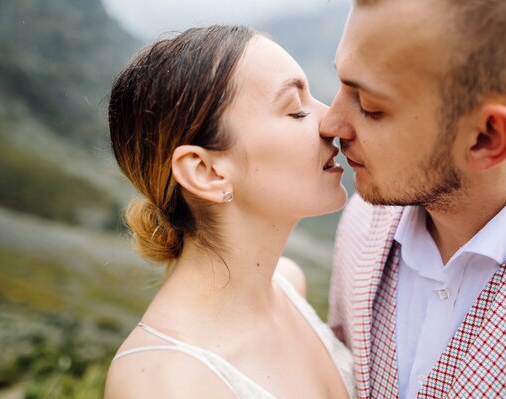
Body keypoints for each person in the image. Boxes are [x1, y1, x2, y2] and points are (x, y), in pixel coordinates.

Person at [322, 0, 506, 398]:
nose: (331, 122)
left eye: (371, 107)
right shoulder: (362, 218)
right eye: (342, 83)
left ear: (487, 138)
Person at [104, 25, 354, 399]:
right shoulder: (162, 385)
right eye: (295, 111)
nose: (331, 121)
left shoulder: (288, 284)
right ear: (206, 172)